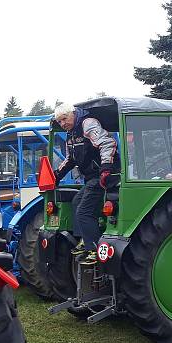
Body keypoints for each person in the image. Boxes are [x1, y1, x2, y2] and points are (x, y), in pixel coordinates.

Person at [52, 102, 119, 264]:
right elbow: (70, 159)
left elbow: (107, 143)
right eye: (59, 121)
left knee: (84, 211)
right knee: (76, 202)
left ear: (73, 114)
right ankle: (84, 240)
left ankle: (94, 249)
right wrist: (57, 175)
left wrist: (106, 168)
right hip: (90, 177)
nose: (62, 124)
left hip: (102, 175)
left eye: (64, 119)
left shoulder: (87, 124)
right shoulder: (71, 134)